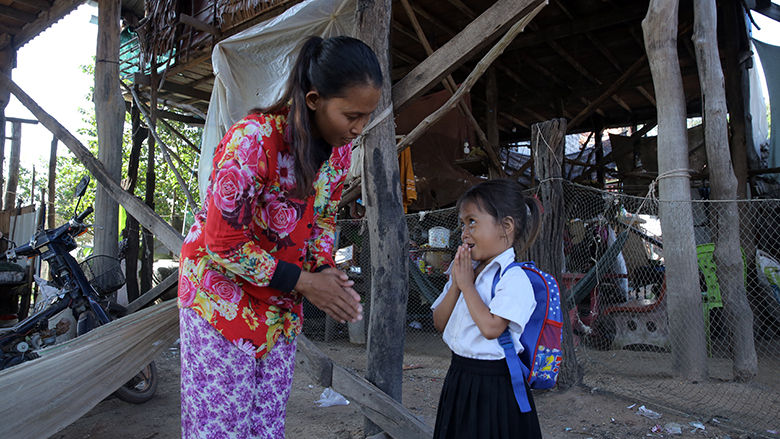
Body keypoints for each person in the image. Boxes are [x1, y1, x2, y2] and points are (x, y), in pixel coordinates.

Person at [177, 35, 382, 438]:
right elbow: (223, 242)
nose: (359, 128)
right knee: (220, 429)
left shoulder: (338, 154)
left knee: (265, 428)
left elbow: (322, 220)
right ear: (313, 99)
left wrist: (325, 271)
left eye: (367, 117)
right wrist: (306, 282)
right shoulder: (254, 141)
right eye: (351, 115)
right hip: (220, 301)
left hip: (278, 309)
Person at [431, 179, 544, 439]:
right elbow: (439, 321)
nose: (464, 233)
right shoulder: (463, 271)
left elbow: (492, 328)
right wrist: (458, 285)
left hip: (493, 383)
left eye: (472, 221)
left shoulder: (513, 279)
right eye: (463, 223)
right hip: (459, 375)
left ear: (505, 226)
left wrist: (467, 286)